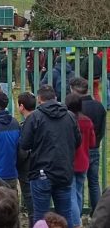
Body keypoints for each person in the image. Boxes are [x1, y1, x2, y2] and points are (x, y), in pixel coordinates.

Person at [20, 85, 81, 225]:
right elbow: (77, 141)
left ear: (39, 99)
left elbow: (24, 144)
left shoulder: (35, 117)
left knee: (41, 218)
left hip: (41, 172)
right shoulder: (70, 116)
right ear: (55, 97)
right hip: (64, 171)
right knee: (65, 217)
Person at [69, 77, 106, 215]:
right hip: (94, 147)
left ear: (73, 90)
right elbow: (102, 129)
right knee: (94, 182)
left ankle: (77, 213)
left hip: (79, 150)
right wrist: (96, 143)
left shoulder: (75, 109)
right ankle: (97, 213)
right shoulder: (99, 106)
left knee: (77, 185)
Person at [65, 93, 96, 225]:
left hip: (70, 162)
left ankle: (76, 221)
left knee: (71, 194)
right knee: (78, 192)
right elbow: (92, 142)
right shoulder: (87, 121)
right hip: (83, 161)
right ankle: (77, 218)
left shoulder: (66, 120)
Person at [17, 92, 37, 227]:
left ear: (21, 106)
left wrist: (17, 162)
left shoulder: (25, 125)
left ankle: (34, 223)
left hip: (27, 166)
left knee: (30, 198)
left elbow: (23, 149)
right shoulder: (40, 119)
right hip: (41, 164)